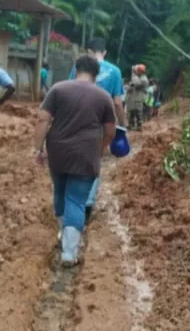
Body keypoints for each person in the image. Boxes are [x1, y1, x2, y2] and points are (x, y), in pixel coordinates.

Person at [34, 55, 115, 267]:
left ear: (75, 69)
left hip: (58, 151)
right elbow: (110, 131)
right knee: (77, 200)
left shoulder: (58, 90)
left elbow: (43, 119)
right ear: (95, 75)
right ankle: (69, 252)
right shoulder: (103, 96)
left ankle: (64, 233)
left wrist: (38, 149)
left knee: (59, 192)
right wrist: (100, 148)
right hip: (86, 153)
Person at [68, 37, 125, 223]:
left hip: (76, 120)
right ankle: (87, 202)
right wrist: (122, 124)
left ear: (88, 50)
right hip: (100, 122)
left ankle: (71, 198)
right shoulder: (115, 71)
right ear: (104, 52)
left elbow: (69, 92)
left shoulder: (78, 68)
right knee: (94, 160)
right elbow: (117, 102)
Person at [127, 64, 149, 131]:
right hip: (134, 97)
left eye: (137, 71)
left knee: (138, 111)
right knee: (132, 111)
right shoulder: (139, 77)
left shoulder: (144, 79)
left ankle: (139, 126)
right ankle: (131, 124)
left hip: (138, 98)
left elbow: (136, 83)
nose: (136, 72)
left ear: (140, 71)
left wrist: (133, 74)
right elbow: (132, 85)